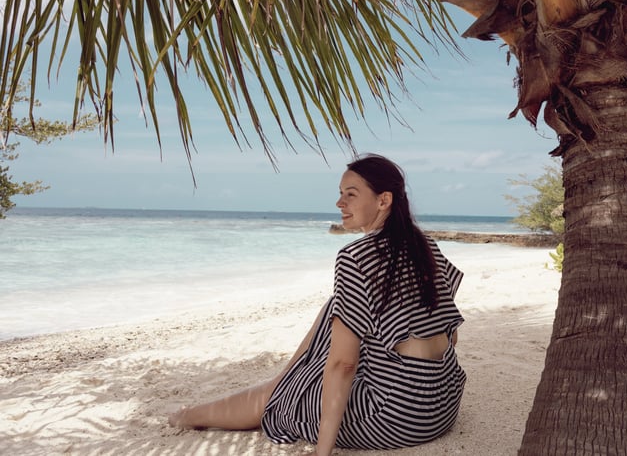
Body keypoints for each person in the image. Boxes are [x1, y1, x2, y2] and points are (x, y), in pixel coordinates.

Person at [169, 154, 466, 456]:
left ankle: (193, 415)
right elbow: (449, 334)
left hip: (394, 416)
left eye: (351, 194)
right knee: (335, 306)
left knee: (280, 398)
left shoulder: (355, 257)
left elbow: (343, 364)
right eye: (340, 194)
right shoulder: (423, 245)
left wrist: (322, 451)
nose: (340, 203)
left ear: (383, 200)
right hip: (443, 403)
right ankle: (286, 378)